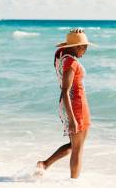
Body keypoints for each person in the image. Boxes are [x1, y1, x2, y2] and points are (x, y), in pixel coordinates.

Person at [37, 28, 95, 179]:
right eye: (84, 47)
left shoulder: (61, 56)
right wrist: (73, 119)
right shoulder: (71, 62)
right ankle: (74, 183)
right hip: (76, 105)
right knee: (78, 148)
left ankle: (44, 164)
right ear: (75, 47)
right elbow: (65, 90)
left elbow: (64, 90)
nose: (85, 50)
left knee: (74, 145)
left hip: (70, 104)